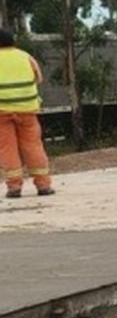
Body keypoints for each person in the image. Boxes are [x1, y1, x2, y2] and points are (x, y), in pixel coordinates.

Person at [0, 26, 53, 199]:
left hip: (2, 112)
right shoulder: (26, 57)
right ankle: (43, 185)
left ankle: (14, 188)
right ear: (13, 41)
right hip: (27, 110)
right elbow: (39, 78)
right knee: (33, 146)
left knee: (7, 148)